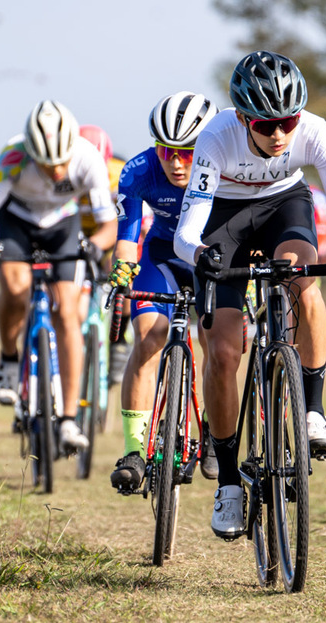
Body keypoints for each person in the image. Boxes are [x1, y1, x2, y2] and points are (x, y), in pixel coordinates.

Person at [173, 50, 326, 539]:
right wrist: (200, 254)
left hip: (286, 204)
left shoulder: (316, 132)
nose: (279, 133)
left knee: (304, 282)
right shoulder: (216, 138)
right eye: (265, 124)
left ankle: (313, 411)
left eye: (288, 120)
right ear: (242, 118)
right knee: (221, 351)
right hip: (224, 218)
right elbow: (187, 229)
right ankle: (229, 483)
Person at [0, 100, 117, 451]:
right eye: (46, 163)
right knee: (16, 287)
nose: (55, 171)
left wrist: (96, 246)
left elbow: (108, 224)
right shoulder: (13, 156)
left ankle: (67, 419)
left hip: (61, 224)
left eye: (61, 162)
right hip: (15, 222)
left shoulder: (88, 158)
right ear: (30, 152)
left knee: (68, 312)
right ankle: (9, 358)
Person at [107, 91, 219, 494]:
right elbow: (128, 234)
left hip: (212, 258)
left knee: (216, 343)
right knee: (151, 335)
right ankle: (134, 450)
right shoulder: (138, 170)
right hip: (162, 257)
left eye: (187, 153)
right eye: (166, 151)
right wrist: (122, 270)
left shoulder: (228, 167)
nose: (175, 162)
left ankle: (212, 427)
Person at [77, 125, 132, 385]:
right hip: (79, 233)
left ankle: (119, 342)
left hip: (111, 233)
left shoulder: (118, 174)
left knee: (124, 271)